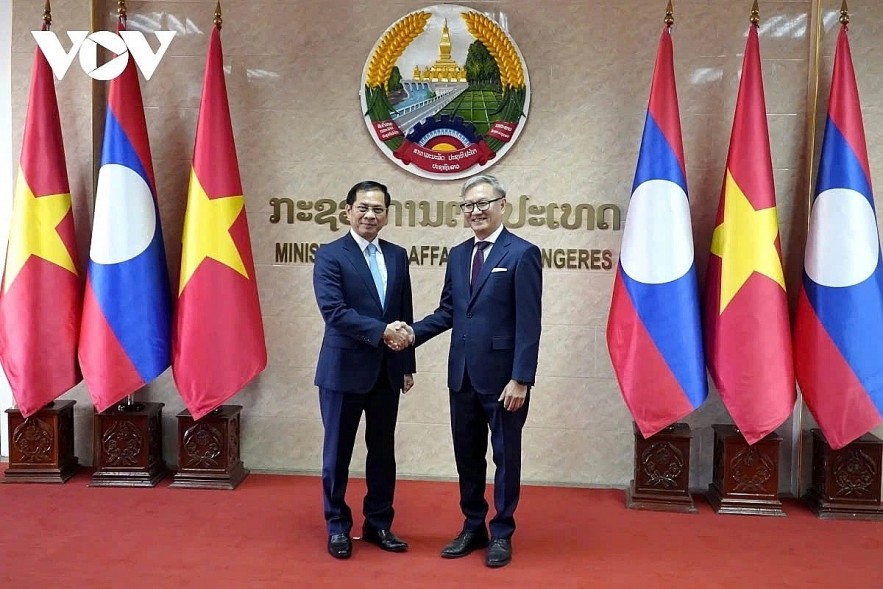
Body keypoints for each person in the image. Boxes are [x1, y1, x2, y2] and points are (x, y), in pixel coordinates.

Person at [406, 174, 542, 568]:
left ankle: (502, 532)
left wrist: (522, 378)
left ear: (503, 205)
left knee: (505, 457)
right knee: (467, 456)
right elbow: (449, 311)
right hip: (461, 375)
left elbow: (529, 322)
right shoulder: (460, 254)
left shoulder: (522, 253)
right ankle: (473, 525)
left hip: (504, 381)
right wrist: (410, 334)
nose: (476, 211)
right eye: (468, 205)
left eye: (484, 203)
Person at [312, 180, 415, 560]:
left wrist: (406, 364)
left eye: (378, 209)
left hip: (387, 371)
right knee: (337, 452)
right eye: (363, 208)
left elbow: (403, 310)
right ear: (348, 211)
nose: (370, 215)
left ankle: (379, 524)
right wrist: (381, 331)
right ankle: (337, 525)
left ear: (387, 215)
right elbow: (334, 312)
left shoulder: (397, 255)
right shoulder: (330, 255)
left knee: (383, 451)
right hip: (342, 370)